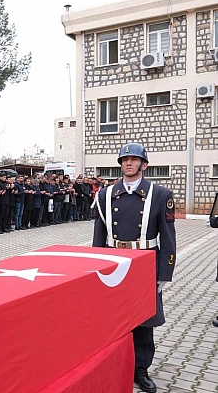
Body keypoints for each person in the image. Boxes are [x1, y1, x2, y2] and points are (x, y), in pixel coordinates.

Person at [92, 142, 176, 393]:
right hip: (114, 262)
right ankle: (115, 363)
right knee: (113, 318)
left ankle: (141, 368)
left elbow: (168, 237)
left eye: (133, 159)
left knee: (143, 320)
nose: (128, 163)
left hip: (144, 263)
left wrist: (164, 273)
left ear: (144, 164)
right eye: (124, 159)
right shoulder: (106, 195)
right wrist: (95, 266)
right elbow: (99, 234)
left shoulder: (160, 194)